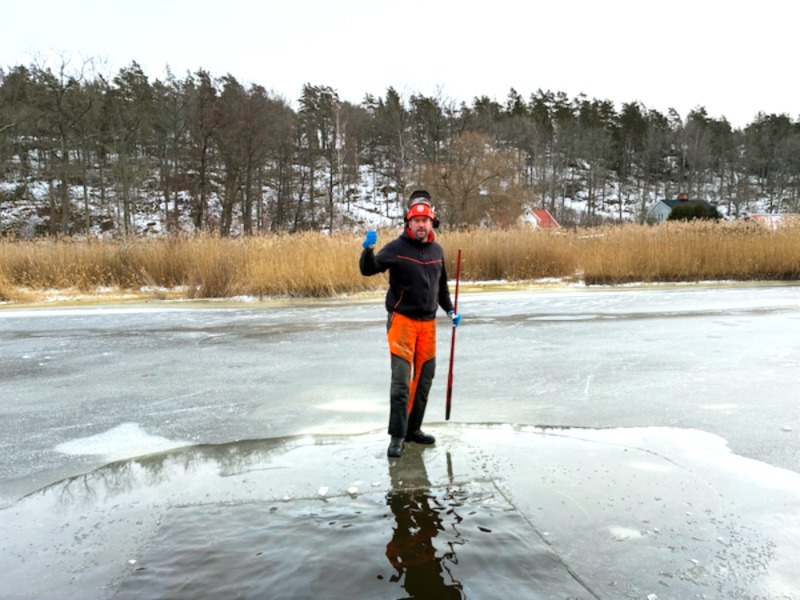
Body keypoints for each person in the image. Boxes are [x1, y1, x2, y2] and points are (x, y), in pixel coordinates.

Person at [359, 189, 462, 458]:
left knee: (425, 378)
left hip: (428, 324)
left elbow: (441, 289)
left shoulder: (437, 251)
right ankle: (397, 436)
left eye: (425, 220)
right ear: (409, 222)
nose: (421, 225)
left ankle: (413, 429)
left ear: (431, 222)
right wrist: (367, 250)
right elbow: (368, 269)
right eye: (416, 221)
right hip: (402, 322)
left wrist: (451, 311)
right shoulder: (397, 248)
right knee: (402, 381)